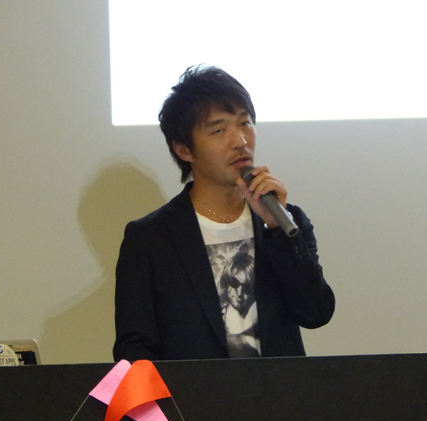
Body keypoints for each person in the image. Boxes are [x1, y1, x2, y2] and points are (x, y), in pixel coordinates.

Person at [113, 65, 335, 361]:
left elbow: (316, 313)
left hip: (279, 390)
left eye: (245, 123)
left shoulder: (285, 221)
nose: (240, 141)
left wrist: (278, 231)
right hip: (193, 392)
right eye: (219, 130)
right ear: (184, 149)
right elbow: (135, 349)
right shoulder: (150, 239)